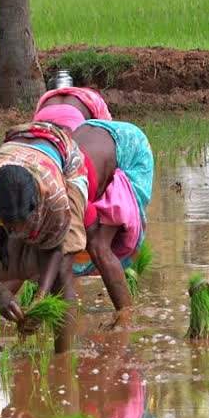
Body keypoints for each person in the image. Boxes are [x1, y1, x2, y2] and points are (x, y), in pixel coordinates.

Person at [0, 122, 88, 352]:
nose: (17, 232)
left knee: (61, 273)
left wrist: (41, 295)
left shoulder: (56, 202)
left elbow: (56, 249)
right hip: (18, 154)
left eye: (23, 224)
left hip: (67, 163)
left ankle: (63, 358)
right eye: (9, 225)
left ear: (35, 208)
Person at [71, 120, 154, 314]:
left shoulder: (72, 193)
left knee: (99, 245)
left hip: (131, 150)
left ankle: (125, 316)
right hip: (92, 135)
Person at [33, 86, 112, 131]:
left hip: (44, 114)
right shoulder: (94, 99)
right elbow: (106, 128)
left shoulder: (50, 94)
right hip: (72, 117)